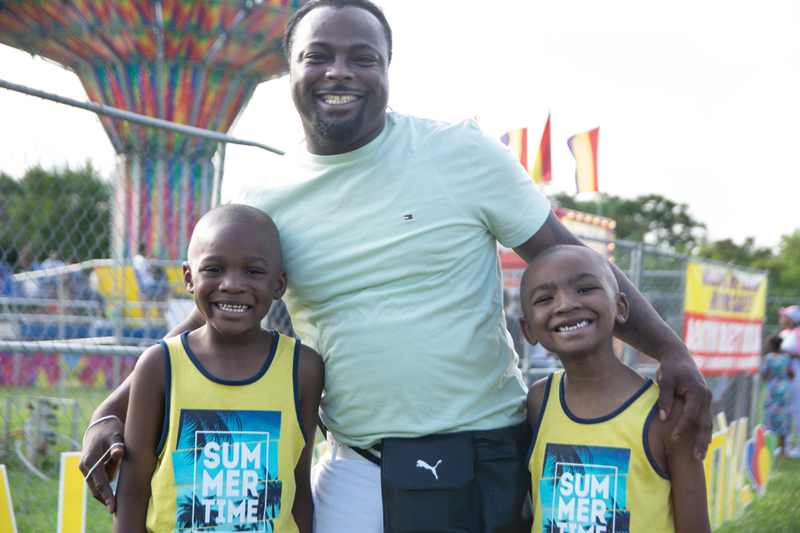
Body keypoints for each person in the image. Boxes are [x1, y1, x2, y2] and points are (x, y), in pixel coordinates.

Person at [81, 1, 712, 530]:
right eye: (318, 55)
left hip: (483, 454)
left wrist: (670, 349)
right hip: (355, 464)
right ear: (290, 69)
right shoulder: (262, 198)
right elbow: (217, 315)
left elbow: (570, 260)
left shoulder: (461, 152)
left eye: (363, 57)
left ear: (387, 68)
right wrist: (112, 407)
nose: (340, 71)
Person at [111, 204, 323, 533]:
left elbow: (298, 490)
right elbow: (131, 494)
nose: (232, 284)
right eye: (214, 268)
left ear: (279, 284)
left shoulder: (303, 368)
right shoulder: (159, 366)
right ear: (188, 278)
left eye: (253, 271)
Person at [519, 245, 710, 532]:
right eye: (545, 298)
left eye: (585, 289)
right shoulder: (539, 401)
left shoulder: (667, 412)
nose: (566, 304)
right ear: (528, 330)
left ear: (620, 307)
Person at [760, 335, 794, 457]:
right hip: (784, 390)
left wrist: (771, 375)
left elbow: (763, 375)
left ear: (771, 345)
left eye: (767, 343)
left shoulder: (768, 358)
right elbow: (791, 374)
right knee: (783, 417)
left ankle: (768, 447)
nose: (765, 345)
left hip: (772, 390)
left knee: (770, 417)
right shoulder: (786, 358)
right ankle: (783, 449)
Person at [778, 305, 800, 457]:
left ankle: (798, 446)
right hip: (784, 375)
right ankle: (785, 445)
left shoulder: (798, 333)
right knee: (784, 408)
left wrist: (783, 352)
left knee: (797, 409)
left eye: (785, 315)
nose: (781, 317)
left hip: (797, 373)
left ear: (792, 319)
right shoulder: (783, 334)